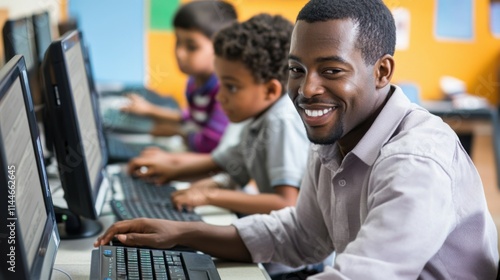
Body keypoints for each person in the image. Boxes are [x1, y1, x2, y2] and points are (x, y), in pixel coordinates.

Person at [96, 0, 499, 278]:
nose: (307, 89)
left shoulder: (414, 162)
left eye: (332, 70)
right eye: (296, 68)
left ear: (381, 71)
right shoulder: (334, 139)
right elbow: (303, 236)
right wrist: (183, 234)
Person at [128, 13, 309, 217]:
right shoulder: (258, 117)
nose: (220, 97)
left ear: (269, 91)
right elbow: (224, 165)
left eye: (231, 87)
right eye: (221, 84)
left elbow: (286, 203)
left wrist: (207, 196)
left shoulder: (282, 121)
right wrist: (173, 172)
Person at [121, 0, 236, 153]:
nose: (179, 53)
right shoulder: (194, 81)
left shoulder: (223, 91)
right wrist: (149, 110)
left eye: (191, 47)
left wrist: (176, 132)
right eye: (177, 41)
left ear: (220, 49)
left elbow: (210, 144)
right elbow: (194, 118)